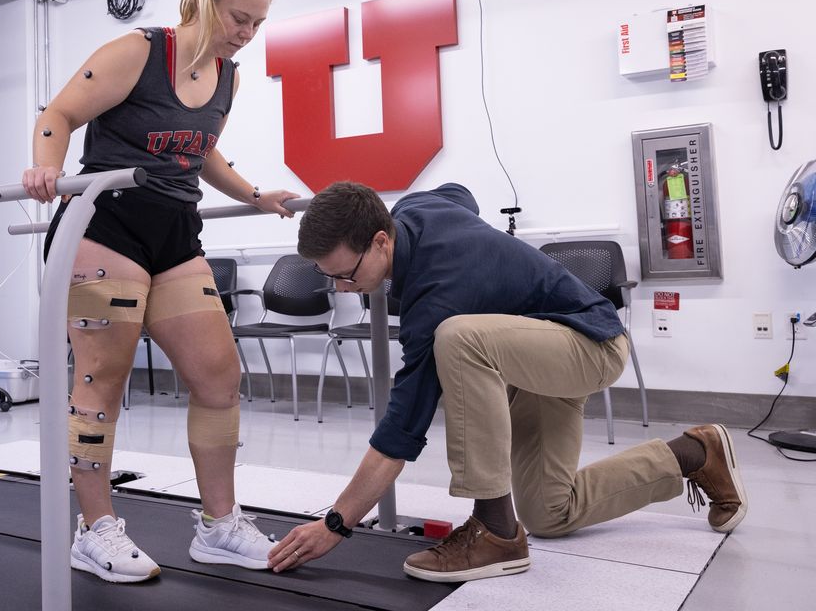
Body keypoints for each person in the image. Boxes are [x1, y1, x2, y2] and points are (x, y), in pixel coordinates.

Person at [267, 181, 747, 582]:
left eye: (346, 276)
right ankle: (695, 453)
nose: (344, 289)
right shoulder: (413, 208)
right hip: (531, 354)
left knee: (456, 337)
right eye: (331, 279)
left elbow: (401, 431)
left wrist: (336, 523)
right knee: (548, 515)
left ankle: (494, 530)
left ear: (380, 241)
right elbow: (460, 195)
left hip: (589, 344)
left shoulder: (435, 300)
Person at [23, 0, 298, 584]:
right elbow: (56, 116)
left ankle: (218, 525)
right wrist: (45, 171)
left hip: (176, 235)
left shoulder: (229, 77)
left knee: (217, 375)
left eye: (259, 23)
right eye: (240, 17)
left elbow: (201, 153)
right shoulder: (138, 52)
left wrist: (256, 195)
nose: (247, 33)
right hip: (104, 225)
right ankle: (94, 532)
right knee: (100, 380)